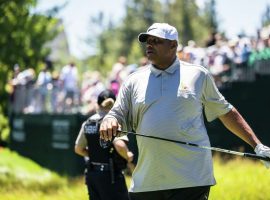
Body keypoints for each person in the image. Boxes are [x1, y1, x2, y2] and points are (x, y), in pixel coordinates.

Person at [99, 23, 270, 200]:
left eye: (156, 41)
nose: (149, 45)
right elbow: (116, 113)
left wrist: (257, 145)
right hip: (148, 181)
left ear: (173, 45)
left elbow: (226, 112)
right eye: (148, 41)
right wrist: (109, 120)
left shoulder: (198, 75)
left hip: (192, 180)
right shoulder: (133, 80)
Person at [75, 89, 133, 200]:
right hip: (110, 177)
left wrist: (93, 156)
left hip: (92, 176)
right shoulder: (113, 122)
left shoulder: (88, 123)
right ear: (115, 104)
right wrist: (128, 155)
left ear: (97, 104)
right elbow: (119, 145)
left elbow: (78, 148)